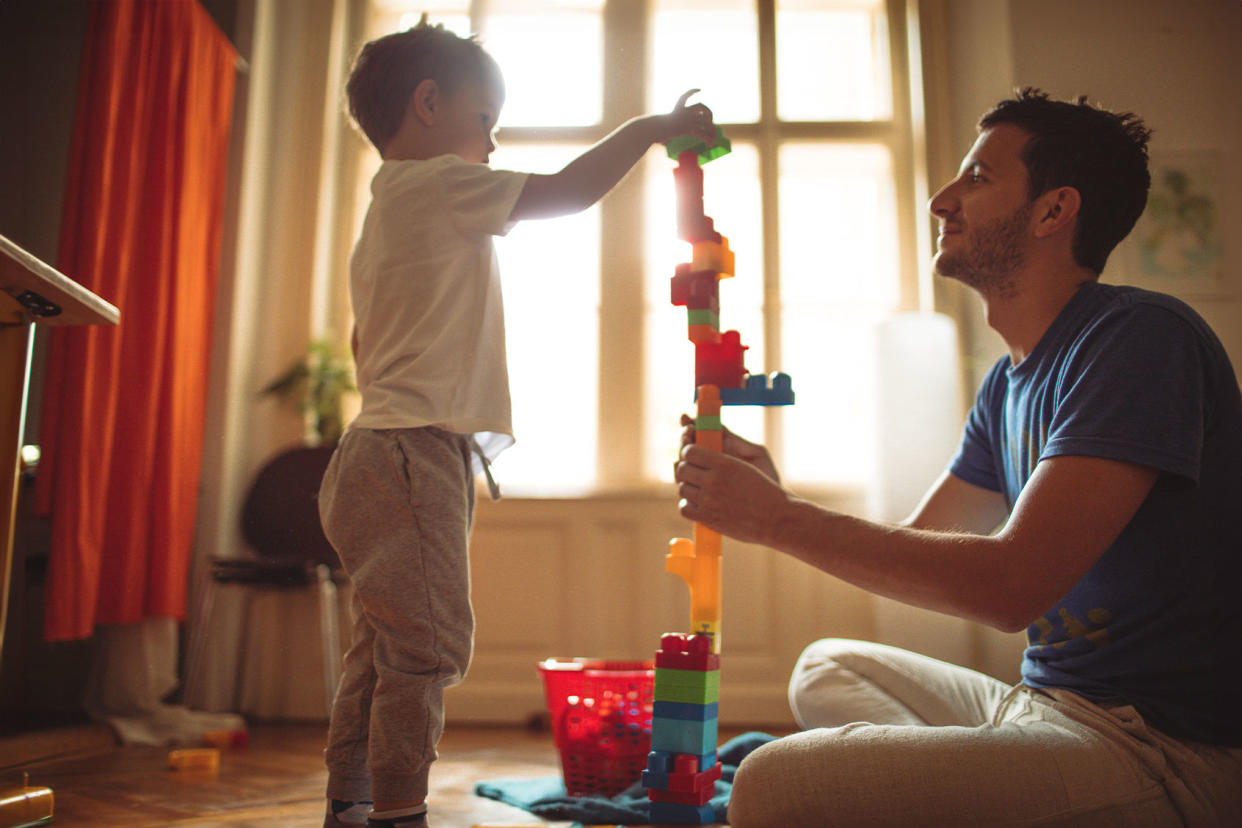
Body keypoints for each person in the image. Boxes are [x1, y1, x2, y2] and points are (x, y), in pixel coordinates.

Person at [674, 88, 1242, 826]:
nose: (943, 199)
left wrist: (781, 523)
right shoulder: (1007, 382)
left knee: (774, 785)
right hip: (1039, 705)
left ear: (1052, 211)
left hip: (1161, 751)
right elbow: (929, 544)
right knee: (828, 666)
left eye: (976, 178)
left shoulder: (1139, 339)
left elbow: (1008, 589)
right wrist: (778, 499)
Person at [318, 19, 716, 828]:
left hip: (375, 452)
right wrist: (650, 129)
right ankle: (398, 812)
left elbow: (368, 341)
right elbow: (567, 193)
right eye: (484, 121)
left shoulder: (387, 207)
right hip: (409, 456)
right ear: (428, 105)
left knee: (382, 650)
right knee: (429, 650)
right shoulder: (433, 183)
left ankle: (354, 803)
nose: (492, 144)